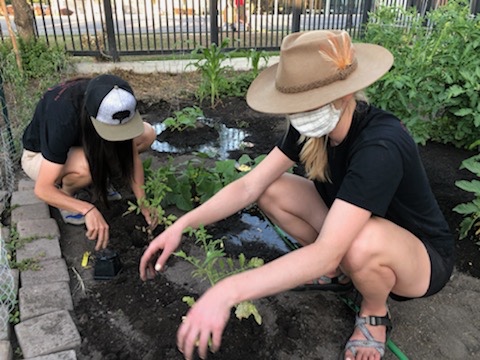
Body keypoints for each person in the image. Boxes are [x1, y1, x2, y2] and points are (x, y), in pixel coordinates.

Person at [139, 30, 454, 360]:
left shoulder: (380, 145)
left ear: (344, 94)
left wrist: (226, 290)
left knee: (358, 244)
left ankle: (374, 312)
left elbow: (328, 251)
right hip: (355, 226)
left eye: (308, 102)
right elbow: (250, 185)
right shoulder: (313, 124)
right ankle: (344, 273)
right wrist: (182, 224)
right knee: (272, 189)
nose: (299, 112)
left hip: (420, 258)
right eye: (295, 103)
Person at [21, 74, 157, 251]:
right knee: (86, 167)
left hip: (81, 148)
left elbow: (132, 157)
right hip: (39, 158)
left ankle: (97, 179)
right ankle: (68, 197)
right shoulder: (63, 117)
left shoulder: (116, 98)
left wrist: (143, 202)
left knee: (147, 134)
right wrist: (87, 209)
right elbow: (42, 189)